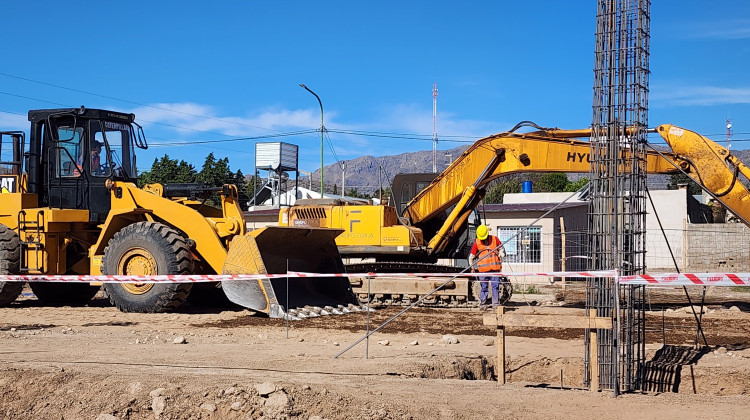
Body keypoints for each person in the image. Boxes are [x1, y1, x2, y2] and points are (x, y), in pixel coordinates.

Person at [469, 224, 506, 309]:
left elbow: (501, 248)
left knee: (495, 287)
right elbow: (471, 257)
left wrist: (501, 253)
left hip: (494, 269)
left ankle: (495, 304)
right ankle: (483, 303)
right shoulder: (477, 243)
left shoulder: (494, 239)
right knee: (484, 287)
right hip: (483, 270)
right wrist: (472, 267)